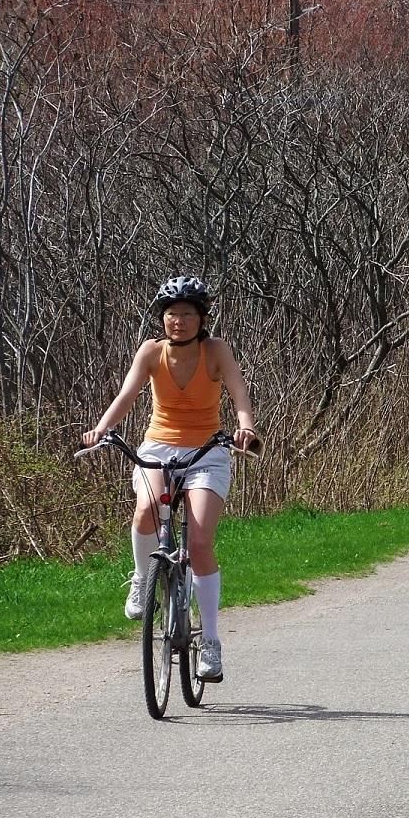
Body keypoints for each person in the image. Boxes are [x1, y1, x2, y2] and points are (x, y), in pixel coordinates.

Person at [82, 276, 258, 683]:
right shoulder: (151, 351)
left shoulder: (215, 351)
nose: (178, 321)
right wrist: (101, 429)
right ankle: (144, 579)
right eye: (172, 314)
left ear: (202, 318)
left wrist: (245, 427)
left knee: (198, 542)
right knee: (145, 511)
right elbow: (126, 395)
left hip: (206, 452)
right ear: (162, 318)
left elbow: (239, 395)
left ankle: (210, 641)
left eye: (188, 314)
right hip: (158, 448)